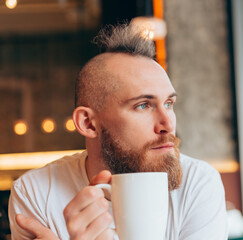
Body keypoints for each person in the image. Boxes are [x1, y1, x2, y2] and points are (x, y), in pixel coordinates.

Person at [8, 23, 228, 240]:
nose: (168, 124)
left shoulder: (198, 182)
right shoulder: (35, 191)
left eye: (169, 103)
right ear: (88, 123)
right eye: (143, 105)